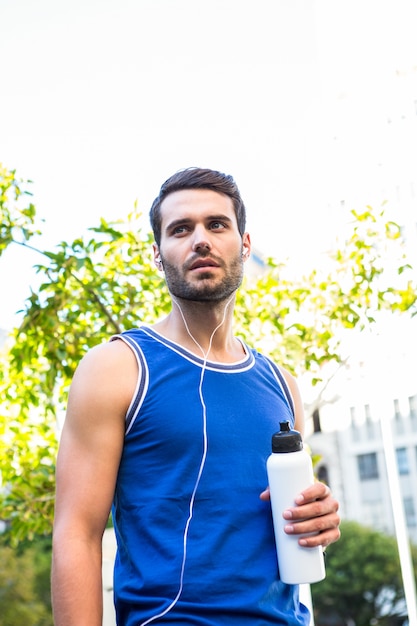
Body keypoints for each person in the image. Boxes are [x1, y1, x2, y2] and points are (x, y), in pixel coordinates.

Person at [52, 167, 340, 626]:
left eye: (217, 224)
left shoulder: (282, 383)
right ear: (157, 254)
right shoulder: (118, 367)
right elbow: (77, 535)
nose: (200, 240)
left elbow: (282, 533)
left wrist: (318, 523)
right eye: (180, 229)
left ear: (244, 244)